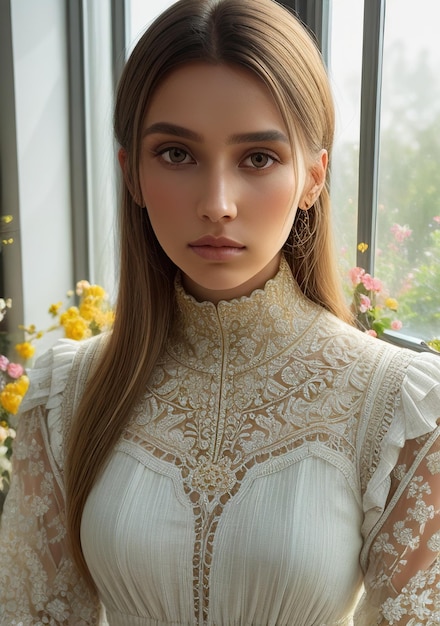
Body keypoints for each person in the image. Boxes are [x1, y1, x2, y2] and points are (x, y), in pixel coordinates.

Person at [1, 0, 440, 623]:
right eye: (177, 154)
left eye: (258, 158)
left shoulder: (397, 407)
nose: (217, 203)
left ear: (314, 177)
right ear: (131, 174)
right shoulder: (66, 392)